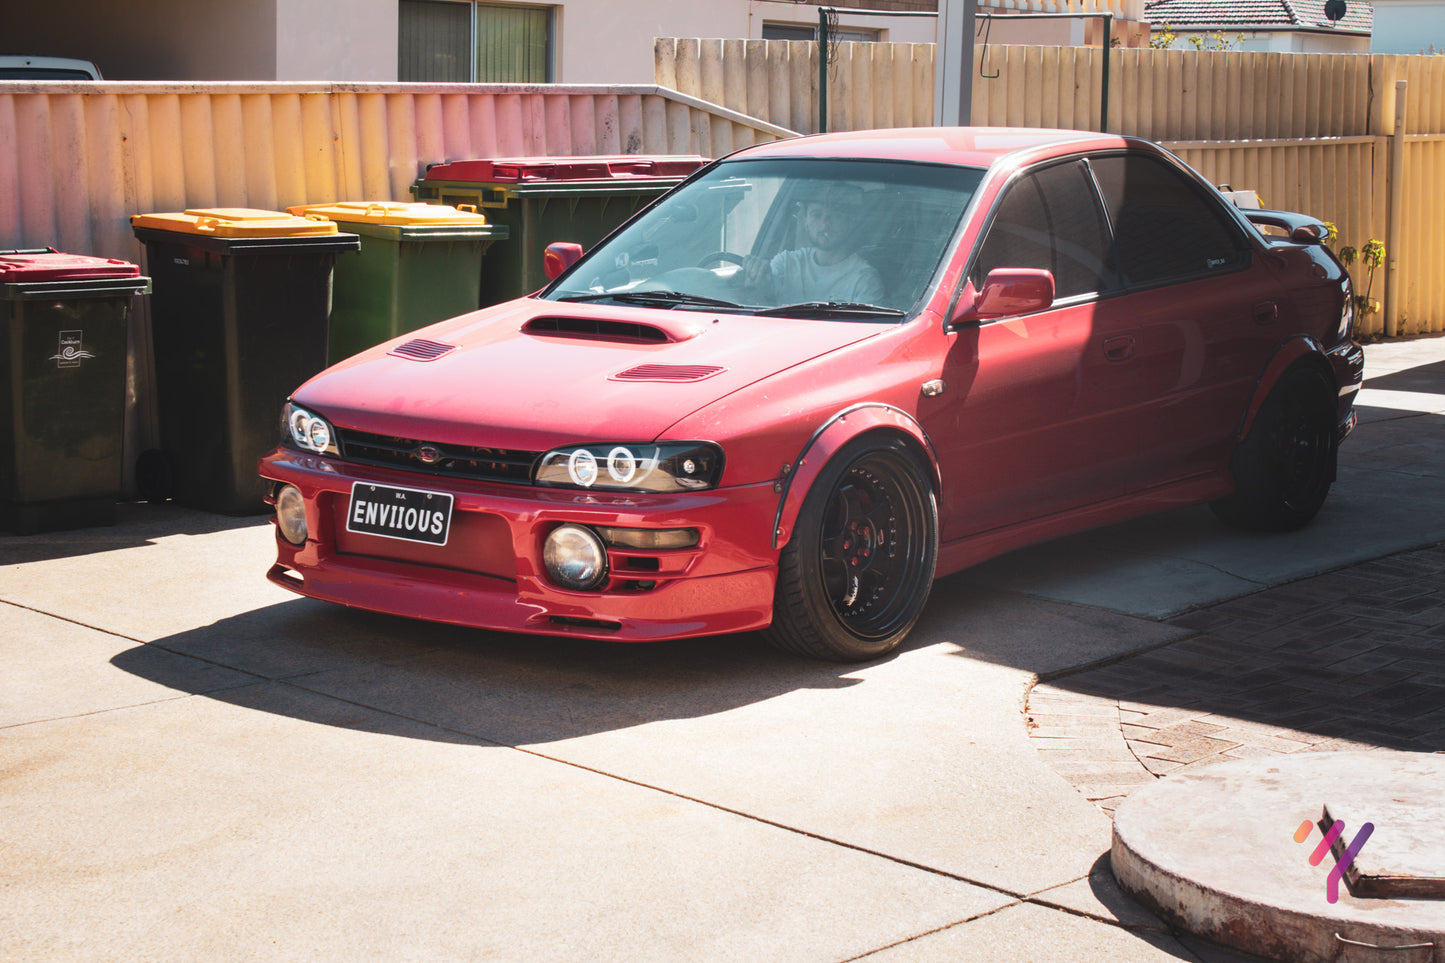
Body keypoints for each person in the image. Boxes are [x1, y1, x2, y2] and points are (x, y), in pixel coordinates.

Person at [744, 186, 885, 305]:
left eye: (835, 215)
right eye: (817, 215)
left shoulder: (864, 280)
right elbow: (758, 304)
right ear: (805, 221)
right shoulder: (786, 264)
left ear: (848, 222)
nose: (825, 223)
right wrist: (755, 281)